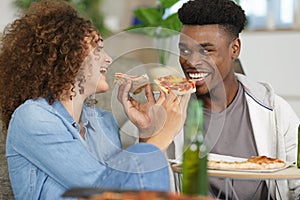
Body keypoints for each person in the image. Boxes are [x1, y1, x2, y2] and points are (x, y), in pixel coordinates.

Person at [0, 0, 190, 199]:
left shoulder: (104, 123)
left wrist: (148, 133)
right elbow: (101, 190)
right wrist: (163, 136)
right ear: (67, 56)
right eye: (98, 49)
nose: (108, 59)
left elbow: (127, 189)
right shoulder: (32, 117)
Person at [176, 0, 300, 199]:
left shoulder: (274, 110)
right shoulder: (168, 111)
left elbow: (297, 183)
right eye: (185, 50)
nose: (191, 61)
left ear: (235, 48)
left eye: (206, 50)